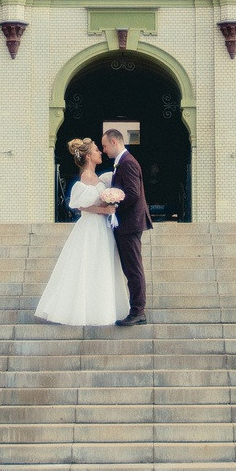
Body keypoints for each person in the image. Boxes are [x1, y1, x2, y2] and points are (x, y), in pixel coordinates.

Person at [33, 137, 127, 327]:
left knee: (99, 265)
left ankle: (99, 308)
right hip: (91, 227)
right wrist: (104, 210)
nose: (100, 152)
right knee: (89, 265)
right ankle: (88, 310)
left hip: (101, 227)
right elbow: (81, 207)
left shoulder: (97, 178)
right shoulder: (86, 178)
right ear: (88, 156)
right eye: (96, 150)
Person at [101, 125, 151, 326]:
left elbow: (132, 193)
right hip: (127, 224)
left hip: (130, 223)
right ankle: (136, 309)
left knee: (133, 269)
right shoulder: (122, 162)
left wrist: (114, 205)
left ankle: (138, 311)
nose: (104, 150)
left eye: (105, 145)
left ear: (114, 142)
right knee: (131, 268)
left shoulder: (127, 163)